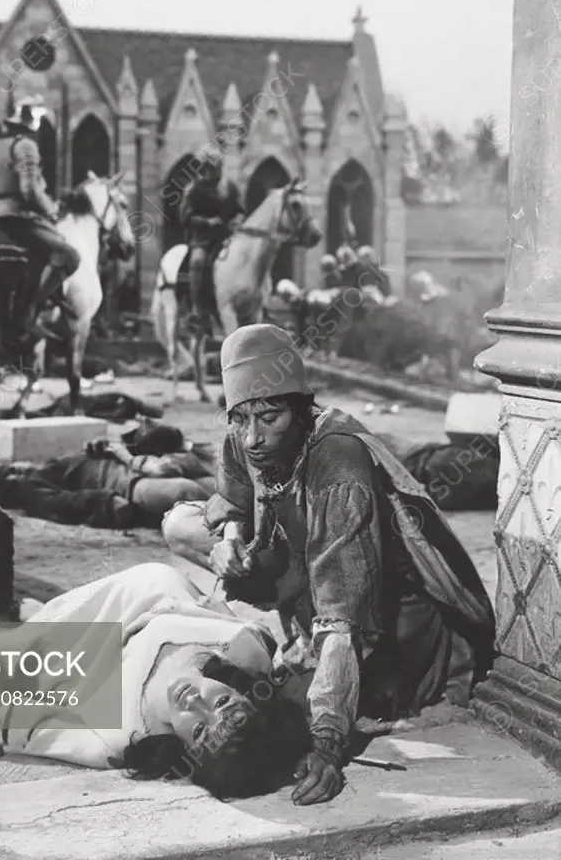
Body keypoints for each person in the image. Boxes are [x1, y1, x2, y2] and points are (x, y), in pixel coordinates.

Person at [162, 323, 495, 806]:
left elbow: (342, 618)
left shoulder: (338, 465)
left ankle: (327, 667)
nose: (254, 437)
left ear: (299, 409)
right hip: (307, 579)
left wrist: (327, 744)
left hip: (388, 624)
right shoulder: (245, 437)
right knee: (179, 526)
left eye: (271, 418)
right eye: (241, 419)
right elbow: (230, 502)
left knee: (307, 694)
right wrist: (230, 539)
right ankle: (301, 639)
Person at [0, 562, 311, 801]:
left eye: (198, 729)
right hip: (140, 600)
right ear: (242, 695)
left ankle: (37, 619)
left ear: (187, 750)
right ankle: (40, 615)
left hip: (84, 667)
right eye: (221, 704)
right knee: (152, 577)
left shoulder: (116, 740)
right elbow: (306, 690)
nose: (194, 699)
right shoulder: (247, 654)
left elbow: (30, 730)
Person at [0, 95, 81, 319]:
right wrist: (51, 210)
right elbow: (29, 191)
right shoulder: (26, 146)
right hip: (17, 218)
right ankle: (29, 308)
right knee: (68, 254)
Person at [0, 434, 216, 528]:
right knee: (186, 492)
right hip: (129, 487)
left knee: (216, 485)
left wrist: (100, 445)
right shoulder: (33, 487)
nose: (22, 465)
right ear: (14, 480)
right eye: (14, 469)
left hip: (137, 468)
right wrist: (107, 502)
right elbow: (66, 503)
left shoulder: (54, 466)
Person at [179, 146, 244, 332]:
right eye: (209, 167)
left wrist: (237, 220)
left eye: (216, 166)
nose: (213, 171)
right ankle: (198, 310)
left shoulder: (230, 188)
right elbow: (185, 216)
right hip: (203, 239)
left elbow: (240, 209)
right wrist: (207, 222)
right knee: (198, 263)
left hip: (228, 237)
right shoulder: (194, 189)